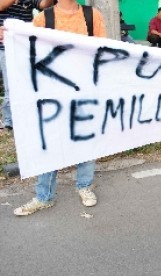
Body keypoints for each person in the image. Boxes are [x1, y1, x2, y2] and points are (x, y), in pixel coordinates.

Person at [11, 0, 107, 216]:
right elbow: (29, 51)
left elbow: (103, 52)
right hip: (52, 94)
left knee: (86, 139)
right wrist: (10, 35)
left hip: (85, 91)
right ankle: (44, 196)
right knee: (50, 143)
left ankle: (85, 185)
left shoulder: (93, 16)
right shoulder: (44, 18)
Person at [0, 0, 54, 131]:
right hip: (4, 46)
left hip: (25, 46)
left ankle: (25, 119)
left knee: (27, 84)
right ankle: (9, 122)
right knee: (10, 86)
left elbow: (43, 5)